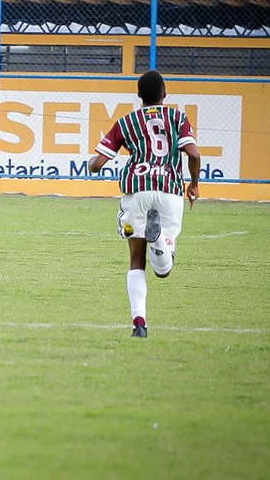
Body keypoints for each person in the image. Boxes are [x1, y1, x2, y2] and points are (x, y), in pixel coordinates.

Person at [87, 70, 201, 338]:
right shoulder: (177, 117)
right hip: (169, 190)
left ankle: (139, 323)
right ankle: (160, 242)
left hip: (137, 189)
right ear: (165, 95)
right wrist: (194, 183)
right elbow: (194, 154)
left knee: (136, 260)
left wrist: (91, 164)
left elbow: (97, 164)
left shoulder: (126, 122)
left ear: (139, 97)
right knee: (164, 270)